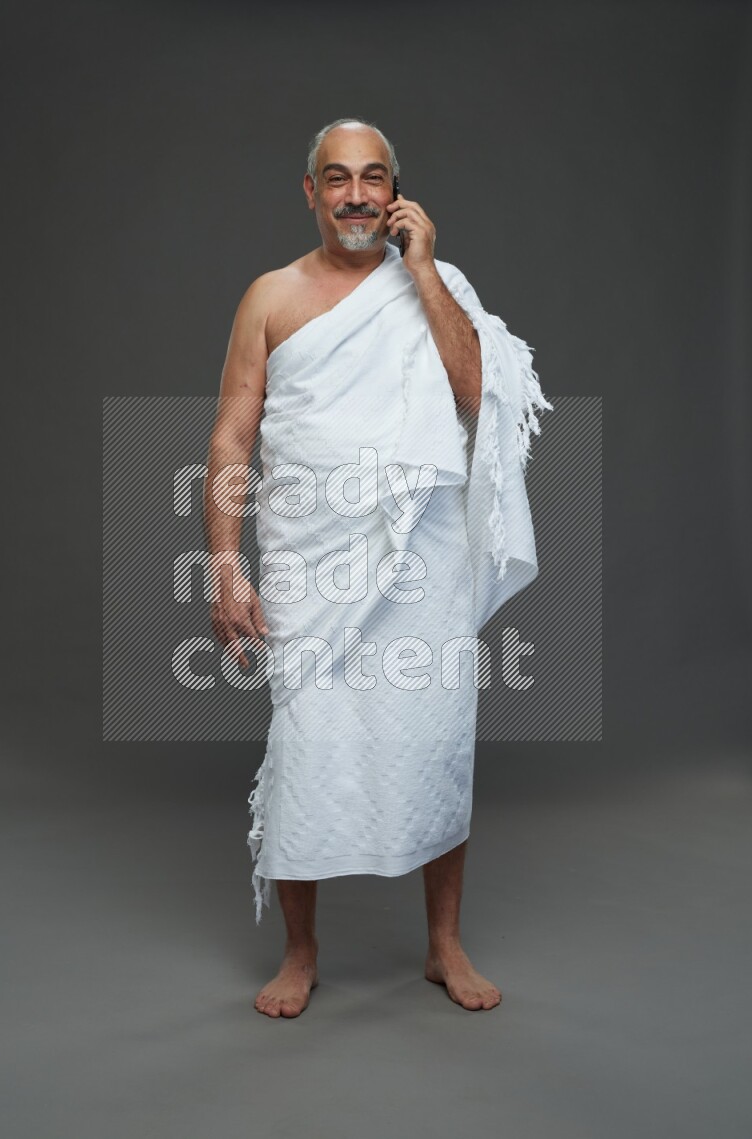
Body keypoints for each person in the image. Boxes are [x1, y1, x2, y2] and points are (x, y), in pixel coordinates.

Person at [204, 118, 552, 1018]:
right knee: (307, 744)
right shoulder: (269, 297)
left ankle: (443, 944)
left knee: (435, 737)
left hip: (421, 553)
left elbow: (476, 395)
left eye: (371, 178)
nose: (355, 195)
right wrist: (223, 565)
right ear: (310, 192)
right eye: (336, 179)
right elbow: (234, 435)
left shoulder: (436, 286)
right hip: (309, 557)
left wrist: (426, 270)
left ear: (395, 190)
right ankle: (301, 952)